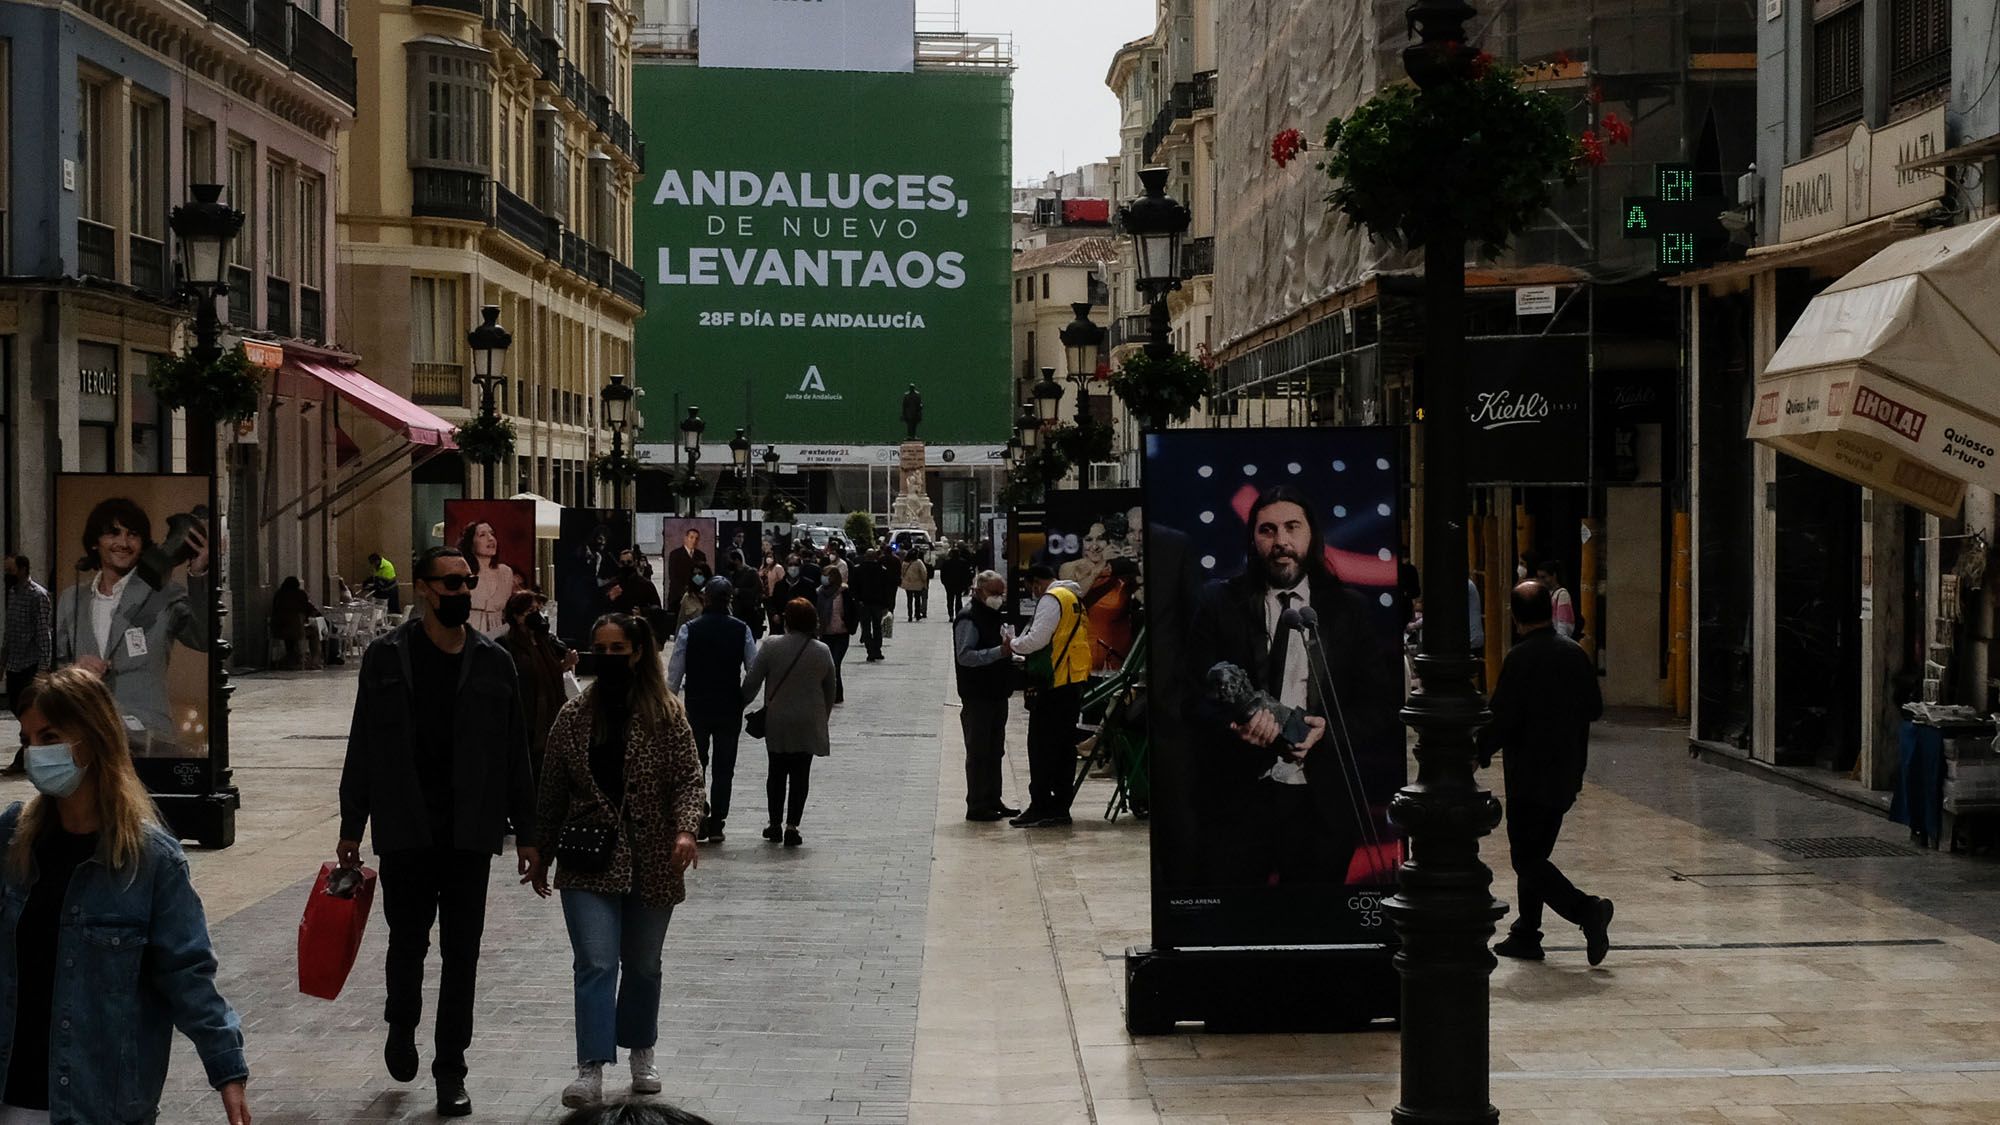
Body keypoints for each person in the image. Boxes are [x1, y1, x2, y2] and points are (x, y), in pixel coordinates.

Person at [336, 545, 541, 1117]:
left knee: (462, 954)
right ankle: (402, 1025)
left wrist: (528, 832)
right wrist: (352, 822)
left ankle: (451, 1067)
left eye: (467, 582)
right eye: (450, 583)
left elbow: (514, 754)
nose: (461, 592)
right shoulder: (385, 658)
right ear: (423, 588)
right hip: (405, 826)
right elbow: (364, 744)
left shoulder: (494, 663)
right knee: (407, 943)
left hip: (471, 831)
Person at [0, 668, 250, 1123]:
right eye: (28, 738)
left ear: (93, 739)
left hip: (101, 1105)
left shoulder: (150, 860)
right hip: (13, 1099)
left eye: (50, 736)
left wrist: (226, 1069)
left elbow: (188, 972)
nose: (35, 753)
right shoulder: (13, 841)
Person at [1183, 486, 1402, 889]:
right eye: (1267, 530)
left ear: (1311, 536)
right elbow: (1192, 697)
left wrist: (1326, 731)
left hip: (1321, 801)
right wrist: (1234, 727)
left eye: (1291, 528)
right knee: (1240, 927)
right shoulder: (1219, 601)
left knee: (1316, 924)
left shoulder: (1347, 609)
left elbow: (1379, 706)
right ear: (1253, 539)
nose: (1281, 542)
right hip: (1238, 799)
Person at [529, 613, 705, 1109]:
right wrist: (540, 850)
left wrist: (687, 830)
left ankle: (641, 1050)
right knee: (596, 962)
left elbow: (690, 779)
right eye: (599, 649)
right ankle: (590, 1067)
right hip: (589, 859)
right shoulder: (575, 717)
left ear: (638, 653)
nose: (607, 659)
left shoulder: (667, 715)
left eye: (617, 650)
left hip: (653, 857)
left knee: (644, 965)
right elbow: (553, 789)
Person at [1479, 580, 1613, 965]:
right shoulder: (1575, 654)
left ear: (1515, 617)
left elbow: (1501, 718)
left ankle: (1587, 909)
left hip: (1528, 776)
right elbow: (1595, 709)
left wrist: (1479, 752)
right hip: (1567, 774)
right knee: (1536, 853)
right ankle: (1526, 933)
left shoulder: (1520, 658)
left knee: (1526, 858)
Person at [54, 496, 209, 754]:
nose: (123, 543)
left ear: (144, 545)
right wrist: (73, 671)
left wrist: (198, 574)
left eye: (133, 535)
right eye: (113, 534)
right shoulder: (72, 599)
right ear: (95, 542)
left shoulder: (166, 595)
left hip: (149, 739)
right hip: (87, 735)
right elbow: (52, 668)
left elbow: (203, 638)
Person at [668, 578, 758, 844]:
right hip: (729, 705)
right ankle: (718, 820)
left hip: (697, 704)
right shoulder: (741, 630)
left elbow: (675, 673)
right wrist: (744, 698)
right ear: (729, 599)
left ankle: (698, 813)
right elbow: (753, 670)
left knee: (696, 764)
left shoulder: (689, 630)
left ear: (706, 599)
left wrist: (669, 703)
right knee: (724, 765)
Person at [742, 599, 837, 846]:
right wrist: (822, 719)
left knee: (776, 772)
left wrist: (739, 703)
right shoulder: (822, 650)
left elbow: (753, 681)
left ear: (788, 620)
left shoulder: (772, 645)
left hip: (778, 720)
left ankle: (774, 824)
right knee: (800, 774)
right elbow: (830, 690)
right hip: (807, 721)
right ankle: (792, 826)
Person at [1006, 565, 1091, 828]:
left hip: (1053, 682)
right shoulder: (1074, 598)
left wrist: (1013, 643)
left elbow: (1037, 639)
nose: (1032, 592)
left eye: (1032, 586)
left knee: (1041, 747)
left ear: (1037, 583)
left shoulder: (1052, 599)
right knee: (1064, 747)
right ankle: (1060, 806)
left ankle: (1041, 805)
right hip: (1072, 679)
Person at [954, 570, 1021, 821]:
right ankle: (977, 804)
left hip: (996, 692)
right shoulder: (968, 618)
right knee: (979, 751)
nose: (998, 598)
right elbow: (965, 655)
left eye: (1000, 593)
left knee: (995, 750)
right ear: (979, 591)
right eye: (993, 593)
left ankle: (994, 798)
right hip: (977, 695)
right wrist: (997, 653)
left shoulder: (993, 615)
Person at [503, 591, 577, 780]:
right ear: (517, 617)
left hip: (552, 711)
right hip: (528, 717)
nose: (536, 615)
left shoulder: (546, 641)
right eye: (530, 611)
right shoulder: (506, 645)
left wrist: (566, 664)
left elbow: (550, 672)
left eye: (537, 610)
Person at [2, 555, 53, 772]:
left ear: (23, 569)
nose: (7, 575)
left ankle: (26, 758)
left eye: (11, 570)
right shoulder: (13, 594)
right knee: (17, 707)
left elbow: (44, 634)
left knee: (29, 711)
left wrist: (43, 669)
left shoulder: (38, 596)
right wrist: (2, 662)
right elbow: (9, 632)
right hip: (14, 663)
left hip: (30, 665)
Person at [458, 521, 521, 636]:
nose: (491, 539)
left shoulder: (505, 572)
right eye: (482, 535)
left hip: (498, 637)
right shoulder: (462, 573)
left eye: (492, 534)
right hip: (469, 635)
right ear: (471, 544)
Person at [814, 566, 860, 705]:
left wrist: (850, 626)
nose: (825, 578)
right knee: (827, 665)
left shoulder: (844, 592)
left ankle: (836, 694)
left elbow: (853, 611)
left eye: (828, 575)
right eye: (823, 575)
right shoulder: (819, 592)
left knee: (835, 663)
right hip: (825, 634)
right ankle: (830, 693)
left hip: (841, 634)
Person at [270, 574, 325, 669]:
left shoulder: (278, 595)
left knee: (293, 635)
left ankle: (293, 658)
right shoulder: (300, 594)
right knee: (314, 632)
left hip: (278, 631)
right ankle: (315, 661)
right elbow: (309, 609)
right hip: (297, 630)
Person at [851, 548, 893, 661]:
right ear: (876, 557)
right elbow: (886, 589)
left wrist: (857, 600)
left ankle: (870, 651)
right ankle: (877, 650)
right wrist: (887, 605)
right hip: (878, 604)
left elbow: (853, 587)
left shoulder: (858, 569)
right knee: (877, 627)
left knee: (865, 628)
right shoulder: (882, 570)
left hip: (863, 603)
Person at [663, 527, 708, 617]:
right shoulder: (675, 554)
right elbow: (673, 576)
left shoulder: (701, 555)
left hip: (695, 597)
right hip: (677, 596)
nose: (694, 541)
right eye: (691, 537)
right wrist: (685, 591)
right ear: (685, 538)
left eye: (696, 538)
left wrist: (695, 589)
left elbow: (703, 576)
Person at [610, 548, 664, 619]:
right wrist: (610, 598)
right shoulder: (613, 584)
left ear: (635, 562)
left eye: (629, 562)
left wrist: (643, 612)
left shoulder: (646, 584)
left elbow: (657, 608)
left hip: (638, 624)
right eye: (623, 563)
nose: (626, 565)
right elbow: (602, 608)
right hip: (619, 624)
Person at [725, 551, 764, 639]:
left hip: (750, 611)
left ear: (737, 561)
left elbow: (758, 590)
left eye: (731, 561)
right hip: (738, 611)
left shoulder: (751, 572)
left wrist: (740, 591)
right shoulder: (734, 574)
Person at [1535, 559, 1578, 640]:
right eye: (1539, 578)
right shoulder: (1547, 593)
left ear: (1554, 575)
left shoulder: (1562, 594)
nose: (1541, 581)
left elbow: (1564, 624)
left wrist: (1559, 642)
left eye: (1544, 577)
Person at [941, 547, 975, 619]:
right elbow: (967, 574)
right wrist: (967, 584)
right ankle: (958, 614)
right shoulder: (963, 562)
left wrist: (944, 582)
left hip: (949, 584)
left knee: (950, 600)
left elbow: (943, 574)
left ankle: (951, 615)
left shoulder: (946, 563)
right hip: (959, 584)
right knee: (958, 599)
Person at [901, 551, 930, 623]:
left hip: (908, 584)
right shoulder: (918, 562)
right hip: (917, 584)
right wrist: (924, 581)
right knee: (917, 600)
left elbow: (902, 572)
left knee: (909, 600)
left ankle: (910, 615)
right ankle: (917, 614)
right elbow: (924, 572)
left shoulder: (905, 563)